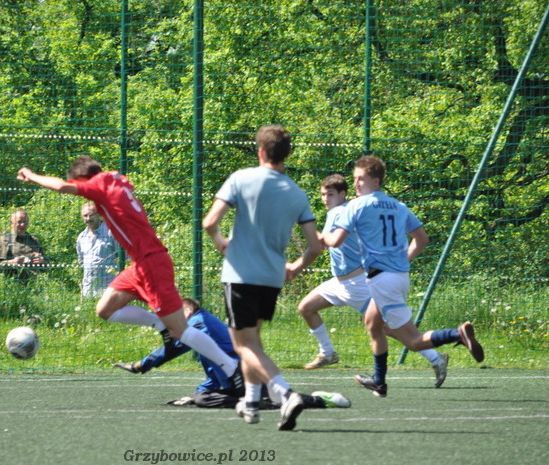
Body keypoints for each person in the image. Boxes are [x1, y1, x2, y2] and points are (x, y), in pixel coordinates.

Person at [16, 156, 243, 390]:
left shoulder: (99, 185)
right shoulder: (115, 180)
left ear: (83, 179)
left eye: (78, 184)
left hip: (152, 263)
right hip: (140, 264)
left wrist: (31, 176)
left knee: (180, 330)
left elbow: (62, 187)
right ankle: (160, 325)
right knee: (105, 309)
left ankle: (231, 367)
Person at [203, 125, 350, 431]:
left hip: (241, 273)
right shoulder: (296, 193)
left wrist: (219, 240)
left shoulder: (241, 178)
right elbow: (315, 246)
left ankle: (286, 393)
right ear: (287, 154)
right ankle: (251, 402)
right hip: (272, 277)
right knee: (253, 341)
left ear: (260, 151)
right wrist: (295, 266)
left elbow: (210, 222)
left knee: (243, 345)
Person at [321, 155, 484, 398]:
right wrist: (401, 260)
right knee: (373, 323)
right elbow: (422, 239)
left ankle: (456, 334)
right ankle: (379, 381)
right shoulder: (398, 206)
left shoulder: (356, 205)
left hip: (382, 280)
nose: (356, 184)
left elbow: (334, 241)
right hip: (397, 276)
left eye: (361, 179)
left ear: (376, 181)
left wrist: (316, 235)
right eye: (355, 179)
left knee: (413, 341)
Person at [299, 174, 449, 388]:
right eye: (323, 194)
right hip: (339, 282)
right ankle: (328, 353)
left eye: (330, 194)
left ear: (343, 194)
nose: (325, 199)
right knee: (306, 307)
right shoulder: (343, 211)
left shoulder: (340, 212)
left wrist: (299, 221)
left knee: (387, 328)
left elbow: (323, 243)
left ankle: (435, 357)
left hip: (356, 284)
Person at [115, 298, 350, 413]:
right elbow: (213, 372)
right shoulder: (197, 329)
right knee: (202, 398)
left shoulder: (199, 323)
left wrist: (142, 365)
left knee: (281, 400)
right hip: (233, 383)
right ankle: (254, 402)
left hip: (246, 377)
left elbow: (174, 348)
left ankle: (321, 399)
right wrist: (194, 395)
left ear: (186, 311)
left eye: (175, 313)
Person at [0, 209, 49, 280]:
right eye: (19, 222)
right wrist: (11, 263)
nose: (22, 225)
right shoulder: (4, 240)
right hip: (11, 284)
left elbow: (47, 266)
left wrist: (41, 262)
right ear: (11, 223)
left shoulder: (34, 241)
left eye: (25, 222)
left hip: (33, 284)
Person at [76, 202, 119, 299]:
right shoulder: (81, 238)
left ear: (99, 214)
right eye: (85, 216)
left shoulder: (111, 233)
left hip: (109, 288)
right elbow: (81, 261)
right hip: (89, 289)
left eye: (91, 215)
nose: (88, 218)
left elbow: (123, 258)